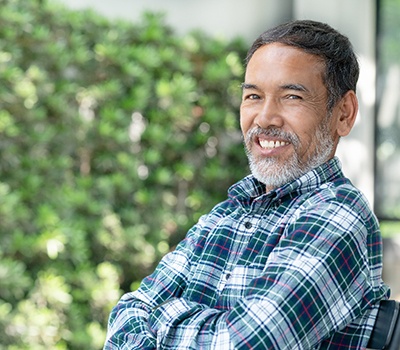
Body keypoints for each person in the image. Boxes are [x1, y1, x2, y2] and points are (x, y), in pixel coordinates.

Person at [103, 19, 389, 349]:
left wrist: (162, 317)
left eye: (292, 96)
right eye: (253, 96)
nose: (265, 118)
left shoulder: (338, 216)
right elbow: (125, 315)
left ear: (344, 113)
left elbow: (245, 344)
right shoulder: (224, 217)